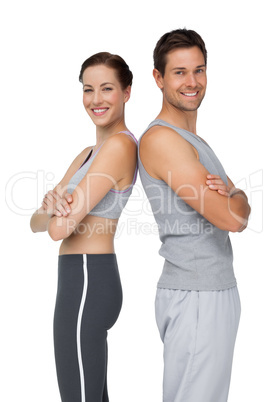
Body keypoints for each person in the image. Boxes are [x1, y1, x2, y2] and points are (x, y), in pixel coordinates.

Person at [138, 29, 251, 402]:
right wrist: (236, 197)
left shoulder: (194, 143)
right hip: (196, 294)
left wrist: (237, 196)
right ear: (158, 78)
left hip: (213, 290)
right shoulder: (163, 140)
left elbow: (239, 206)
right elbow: (234, 218)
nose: (192, 82)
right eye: (179, 72)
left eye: (199, 70)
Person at [30, 52, 137, 402]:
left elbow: (57, 230)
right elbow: (37, 221)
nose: (96, 99)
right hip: (78, 280)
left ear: (126, 92)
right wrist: (50, 208)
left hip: (89, 282)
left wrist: (54, 211)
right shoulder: (88, 153)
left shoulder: (120, 146)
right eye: (88, 89)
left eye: (107, 88)